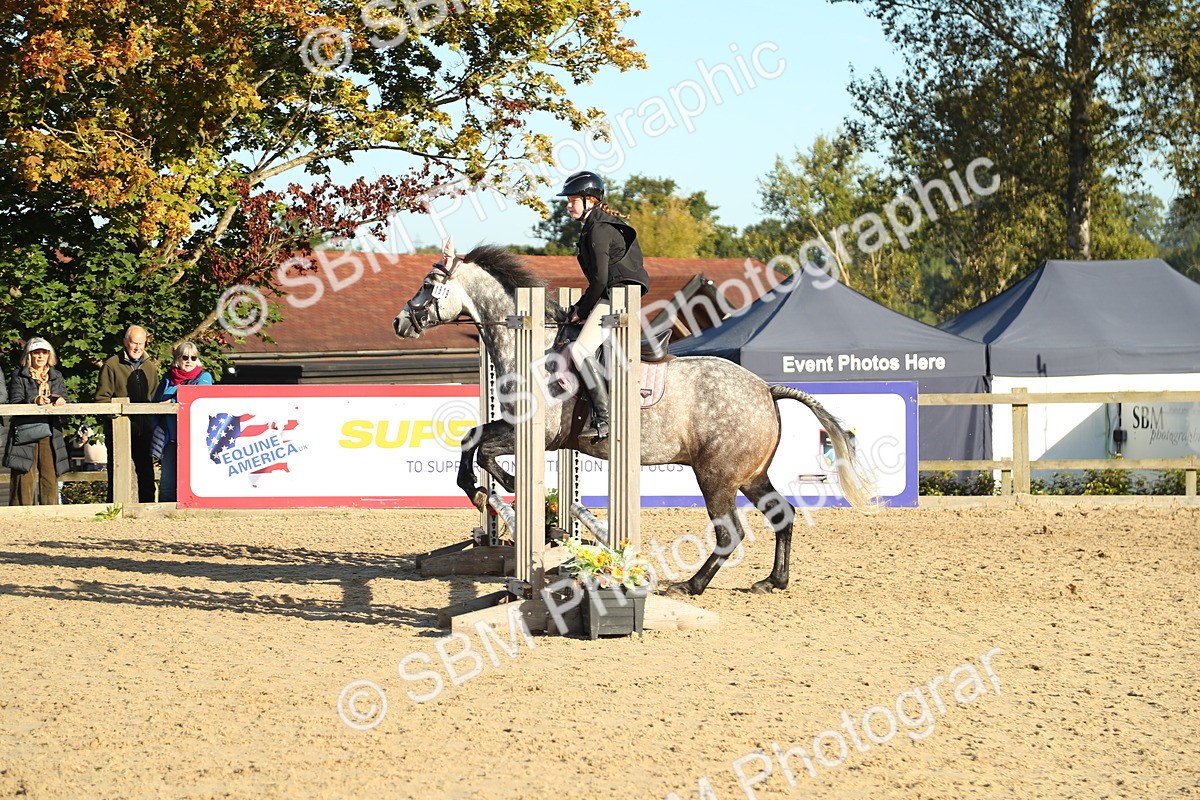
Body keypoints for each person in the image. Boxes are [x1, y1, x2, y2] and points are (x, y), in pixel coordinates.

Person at [557, 170, 650, 441]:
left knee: (581, 349)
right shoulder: (595, 226)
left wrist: (582, 310)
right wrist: (579, 308)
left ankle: (604, 417)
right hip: (614, 294)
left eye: (572, 200)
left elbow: (599, 280)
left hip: (618, 296)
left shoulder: (599, 229)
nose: (568, 205)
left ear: (590, 200)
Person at [95, 325, 159, 502]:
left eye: (141, 343)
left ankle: (147, 512)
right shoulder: (112, 365)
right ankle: (114, 512)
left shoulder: (150, 368)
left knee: (146, 475)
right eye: (134, 343)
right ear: (125, 342)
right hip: (119, 431)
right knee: (117, 474)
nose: (138, 348)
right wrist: (117, 419)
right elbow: (102, 399)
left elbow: (154, 399)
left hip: (144, 430)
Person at [3, 338, 71, 505]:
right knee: (23, 476)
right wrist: (35, 400)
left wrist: (61, 401)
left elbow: (65, 396)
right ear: (29, 355)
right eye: (36, 353)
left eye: (44, 352)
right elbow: (15, 401)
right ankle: (21, 515)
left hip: (50, 430)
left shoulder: (56, 376)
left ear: (49, 355)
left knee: (50, 475)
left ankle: (49, 514)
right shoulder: (20, 375)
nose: (40, 356)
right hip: (25, 430)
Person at [150, 341, 213, 502]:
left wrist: (171, 403)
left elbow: (199, 398)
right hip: (171, 439)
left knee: (194, 482)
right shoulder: (167, 379)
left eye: (193, 357)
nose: (189, 360)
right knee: (167, 484)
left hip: (195, 441)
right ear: (177, 359)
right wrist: (155, 428)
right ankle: (166, 518)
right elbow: (154, 406)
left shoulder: (204, 377)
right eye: (185, 356)